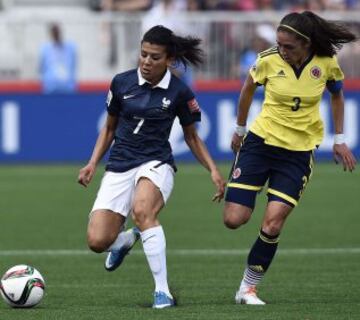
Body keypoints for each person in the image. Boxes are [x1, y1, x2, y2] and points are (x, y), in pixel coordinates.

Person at [78, 25, 225, 309]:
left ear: (169, 60)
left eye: (154, 57)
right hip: (120, 164)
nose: (146, 61)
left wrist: (213, 170)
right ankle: (122, 242)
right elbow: (109, 128)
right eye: (143, 55)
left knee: (143, 211)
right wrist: (92, 163)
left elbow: (192, 136)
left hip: (157, 163)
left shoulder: (180, 92)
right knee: (97, 241)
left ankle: (162, 291)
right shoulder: (121, 83)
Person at [223, 11, 357, 305]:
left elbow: (337, 94)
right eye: (279, 44)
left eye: (289, 46)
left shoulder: (325, 64)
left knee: (272, 224)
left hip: (297, 153)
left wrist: (339, 139)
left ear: (306, 44)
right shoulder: (267, 60)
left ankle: (247, 289)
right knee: (234, 219)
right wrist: (239, 128)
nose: (282, 51)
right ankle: (250, 190)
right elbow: (247, 89)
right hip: (260, 144)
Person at [39, 23, 77, 93]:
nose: (56, 34)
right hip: (50, 87)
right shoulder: (45, 49)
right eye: (54, 32)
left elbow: (73, 66)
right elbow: (42, 68)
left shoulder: (70, 48)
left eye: (57, 31)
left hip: (67, 88)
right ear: (51, 34)